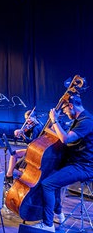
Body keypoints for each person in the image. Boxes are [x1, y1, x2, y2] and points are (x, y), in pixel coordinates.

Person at [30, 95, 93, 231]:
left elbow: (65, 139)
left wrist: (54, 120)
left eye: (64, 109)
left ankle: (48, 225)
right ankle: (59, 213)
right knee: (53, 176)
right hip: (75, 162)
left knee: (48, 184)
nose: (64, 112)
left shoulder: (86, 121)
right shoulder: (80, 119)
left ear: (71, 106)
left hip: (83, 167)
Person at [5, 109, 45, 182]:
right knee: (14, 154)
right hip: (33, 149)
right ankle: (9, 175)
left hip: (36, 152)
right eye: (26, 119)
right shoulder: (34, 125)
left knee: (15, 156)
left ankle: (10, 177)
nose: (27, 120)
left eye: (29, 118)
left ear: (35, 117)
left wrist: (22, 134)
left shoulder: (37, 127)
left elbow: (31, 142)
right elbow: (26, 135)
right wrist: (19, 132)